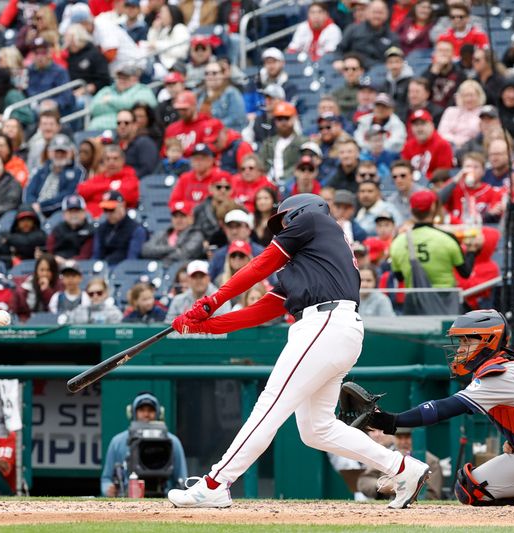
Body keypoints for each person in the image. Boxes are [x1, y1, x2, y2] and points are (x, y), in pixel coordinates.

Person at [166, 194, 432, 508]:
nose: (283, 227)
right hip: (333, 327)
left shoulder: (314, 220)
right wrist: (202, 326)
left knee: (270, 404)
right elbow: (262, 311)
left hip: (325, 323)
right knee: (316, 429)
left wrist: (211, 302)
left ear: (304, 211)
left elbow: (259, 265)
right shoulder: (314, 259)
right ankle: (403, 468)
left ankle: (215, 482)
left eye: (285, 219)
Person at [366, 309, 514, 508]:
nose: (460, 348)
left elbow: (445, 408)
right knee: (471, 490)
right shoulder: (496, 369)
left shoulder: (500, 373)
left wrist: (392, 421)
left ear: (489, 339)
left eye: (466, 341)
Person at [389, 189, 478, 315]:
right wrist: (472, 251)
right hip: (444, 301)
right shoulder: (447, 238)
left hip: (414, 301)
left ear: (411, 209)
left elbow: (399, 277)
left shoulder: (397, 242)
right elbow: (465, 273)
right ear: (433, 208)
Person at [101, 392, 187, 496]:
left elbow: (182, 480)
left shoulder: (173, 442)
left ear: (159, 413)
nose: (146, 414)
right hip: (127, 499)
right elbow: (106, 479)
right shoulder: (117, 442)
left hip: (164, 499)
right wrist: (108, 489)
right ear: (132, 412)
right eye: (141, 410)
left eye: (150, 410)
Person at [24, 134, 85, 217]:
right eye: (56, 151)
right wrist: (32, 205)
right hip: (34, 210)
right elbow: (29, 190)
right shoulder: (41, 169)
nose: (59, 155)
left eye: (63, 152)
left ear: (70, 153)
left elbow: (68, 195)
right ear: (50, 153)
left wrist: (41, 206)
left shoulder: (77, 172)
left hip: (58, 213)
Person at [77, 145, 140, 218]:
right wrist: (109, 186)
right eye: (108, 159)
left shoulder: (130, 177)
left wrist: (94, 194)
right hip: (90, 219)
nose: (111, 162)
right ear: (103, 162)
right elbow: (81, 191)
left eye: (115, 158)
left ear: (123, 160)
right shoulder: (99, 177)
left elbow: (127, 197)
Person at [89, 64, 157, 131]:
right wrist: (124, 107)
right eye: (119, 77)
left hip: (127, 129)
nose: (121, 80)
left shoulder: (141, 89)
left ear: (135, 79)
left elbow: (147, 104)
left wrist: (111, 100)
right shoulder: (106, 90)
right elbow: (94, 108)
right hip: (97, 127)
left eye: (125, 78)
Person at [165, 260, 232, 322]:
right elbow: (168, 325)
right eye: (194, 277)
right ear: (188, 279)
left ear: (208, 278)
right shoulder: (178, 300)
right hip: (186, 334)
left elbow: (225, 326)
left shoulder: (221, 299)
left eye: (201, 276)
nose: (198, 280)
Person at [141, 201, 204, 267]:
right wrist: (172, 249)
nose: (178, 220)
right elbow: (145, 250)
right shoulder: (162, 234)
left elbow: (184, 254)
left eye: (182, 216)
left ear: (191, 219)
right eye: (175, 216)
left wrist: (161, 257)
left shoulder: (196, 235)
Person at [92, 191, 147, 266]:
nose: (108, 213)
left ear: (122, 206)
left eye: (111, 209)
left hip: (122, 271)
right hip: (103, 270)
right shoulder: (102, 228)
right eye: (105, 209)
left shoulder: (135, 229)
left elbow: (132, 260)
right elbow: (96, 256)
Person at [401, 110, 455, 179]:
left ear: (431, 125)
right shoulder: (408, 145)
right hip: (412, 184)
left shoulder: (442, 145)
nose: (419, 128)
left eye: (423, 124)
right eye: (416, 125)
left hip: (434, 184)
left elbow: (443, 172)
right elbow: (404, 169)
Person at [13, 253, 61, 321]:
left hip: (51, 323)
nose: (45, 274)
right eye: (42, 270)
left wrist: (46, 291)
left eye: (49, 270)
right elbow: (18, 311)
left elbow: (55, 311)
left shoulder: (59, 286)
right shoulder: (25, 286)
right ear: (36, 270)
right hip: (29, 324)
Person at [47, 195, 95, 261]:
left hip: (81, 267)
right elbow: (49, 251)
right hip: (56, 265)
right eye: (70, 211)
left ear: (84, 212)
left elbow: (85, 255)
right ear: (64, 214)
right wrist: (54, 260)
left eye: (77, 211)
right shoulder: (57, 229)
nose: (74, 215)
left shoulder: (90, 230)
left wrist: (65, 262)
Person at [116, 109, 158, 179]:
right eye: (119, 123)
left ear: (135, 125)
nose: (122, 126)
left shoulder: (144, 143)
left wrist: (125, 179)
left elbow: (147, 170)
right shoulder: (115, 144)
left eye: (126, 123)